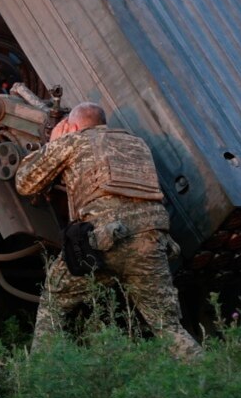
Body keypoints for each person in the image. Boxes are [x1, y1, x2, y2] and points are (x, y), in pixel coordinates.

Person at [15, 102, 202, 361]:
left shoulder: (74, 141)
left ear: (74, 126)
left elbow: (25, 182)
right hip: (151, 243)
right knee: (167, 327)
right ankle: (211, 380)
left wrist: (55, 142)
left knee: (54, 298)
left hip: (102, 242)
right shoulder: (137, 144)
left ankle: (41, 373)